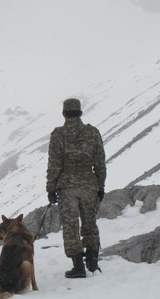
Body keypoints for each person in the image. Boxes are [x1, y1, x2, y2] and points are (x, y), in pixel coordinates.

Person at [46, 98, 106, 278]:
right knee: (90, 223)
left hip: (67, 187)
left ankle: (78, 266)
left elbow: (54, 165)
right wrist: (100, 185)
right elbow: (100, 163)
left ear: (64, 113)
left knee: (71, 226)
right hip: (89, 184)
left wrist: (51, 188)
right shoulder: (93, 133)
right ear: (80, 112)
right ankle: (93, 263)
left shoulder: (58, 135)